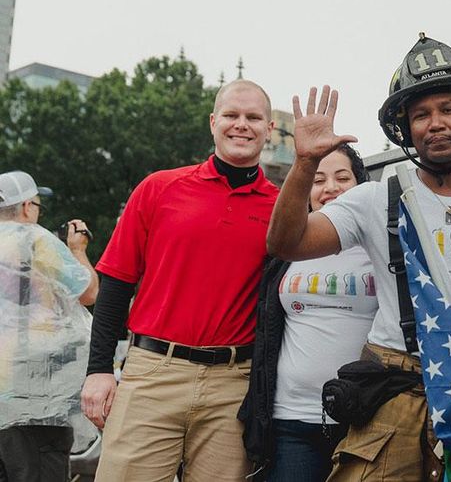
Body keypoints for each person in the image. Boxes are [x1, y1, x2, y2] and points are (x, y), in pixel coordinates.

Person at [267, 35, 451, 482]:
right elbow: (287, 243)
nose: (436, 124)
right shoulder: (374, 198)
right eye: (421, 115)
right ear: (406, 129)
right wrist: (305, 163)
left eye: (448, 109)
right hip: (393, 392)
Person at [80, 79, 279, 481]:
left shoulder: (281, 208)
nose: (242, 125)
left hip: (233, 384)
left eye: (253, 117)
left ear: (270, 129)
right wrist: (98, 369)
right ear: (213, 122)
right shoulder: (159, 188)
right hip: (153, 373)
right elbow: (116, 282)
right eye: (231, 115)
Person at [240, 144, 377, 481]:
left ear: (360, 186)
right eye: (317, 180)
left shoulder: (383, 245)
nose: (330, 188)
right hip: (292, 420)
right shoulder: (286, 249)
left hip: (367, 419)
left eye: (342, 178)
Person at [0, 171, 96, 481]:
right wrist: (78, 250)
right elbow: (88, 293)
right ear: (27, 206)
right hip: (34, 395)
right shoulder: (36, 240)